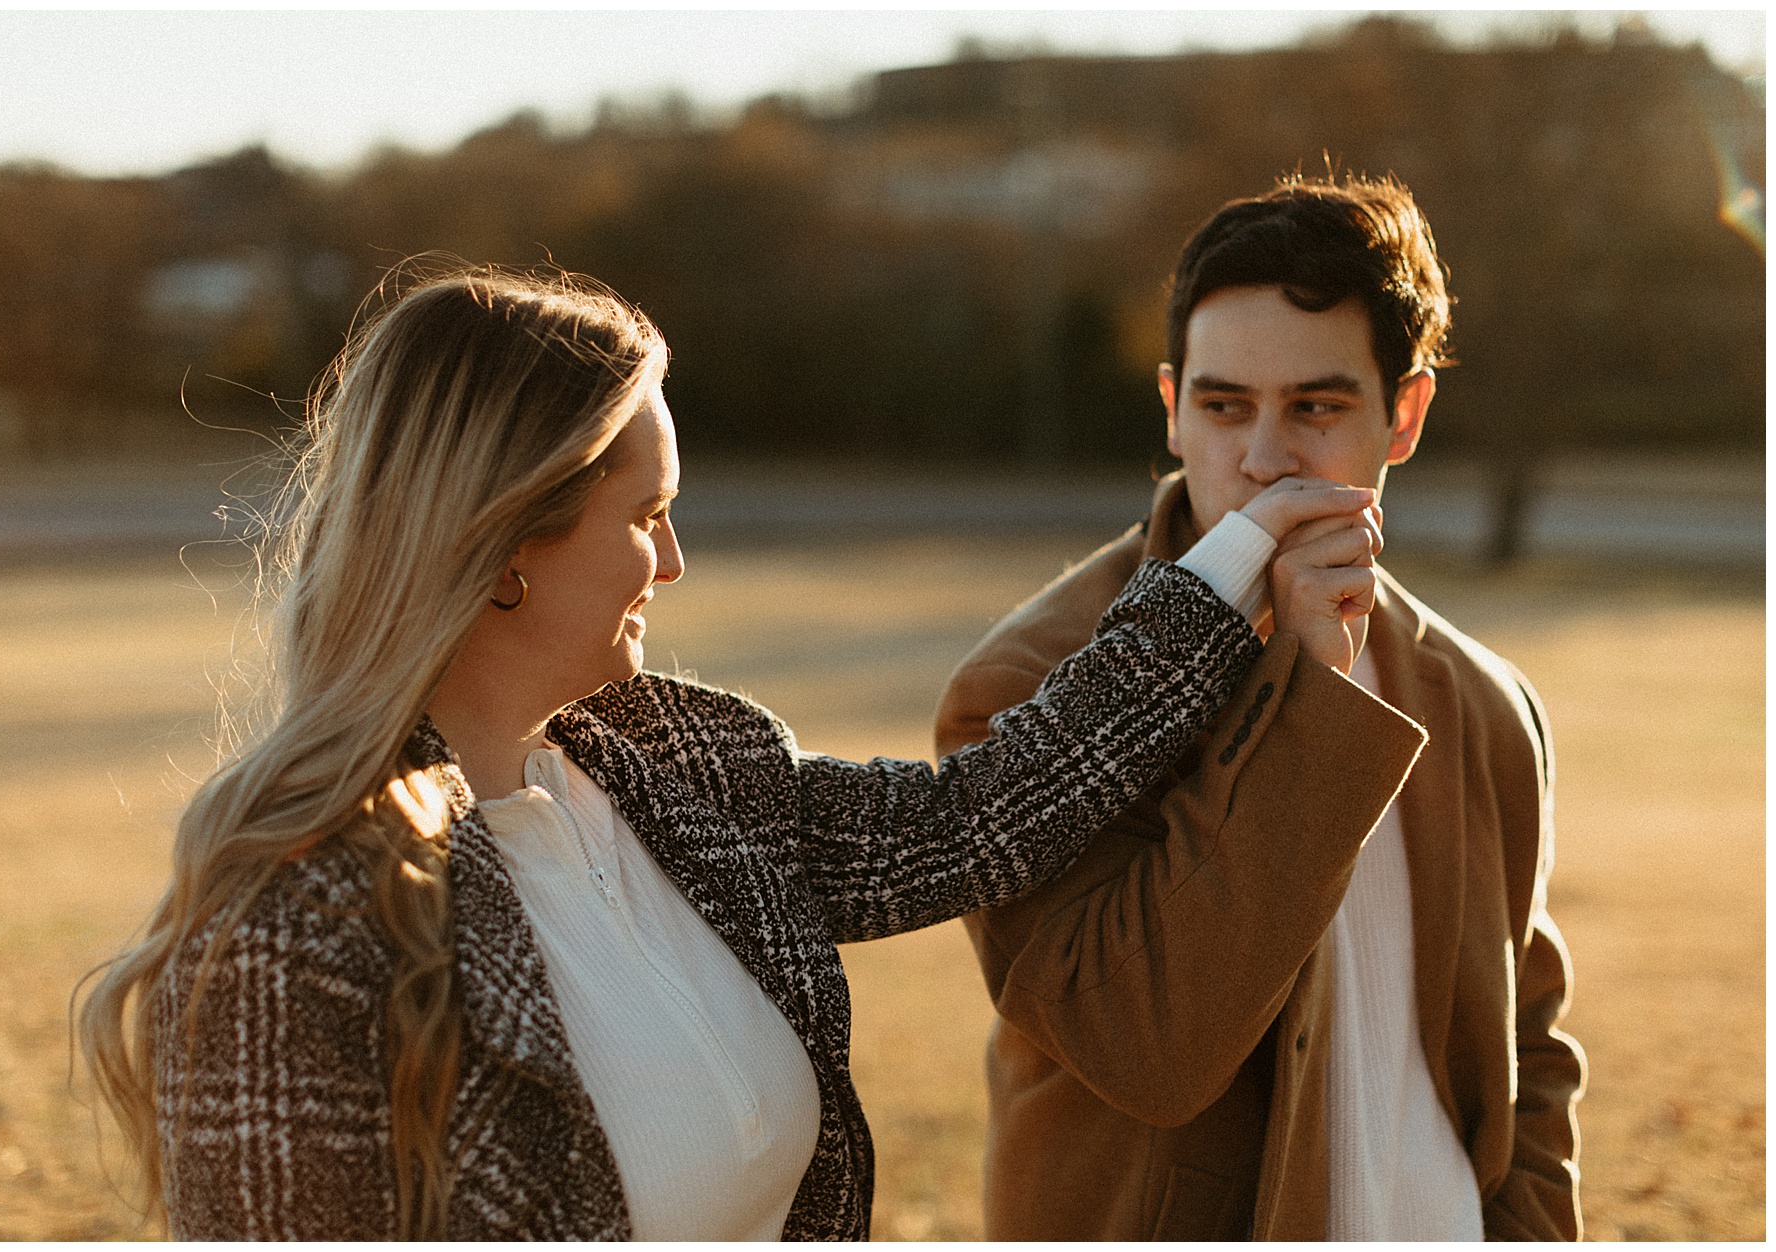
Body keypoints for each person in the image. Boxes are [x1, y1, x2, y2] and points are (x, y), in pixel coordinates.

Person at [77, 267, 1375, 1240]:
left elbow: (978, 820)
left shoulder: (678, 767)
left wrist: (1233, 561)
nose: (677, 561)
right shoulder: (295, 917)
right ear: (510, 542)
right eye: (647, 517)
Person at [935, 175, 1584, 1240]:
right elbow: (1150, 1042)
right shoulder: (1026, 687)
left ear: (1404, 415)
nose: (1265, 459)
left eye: (1317, 407)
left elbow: (1529, 1047)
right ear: (1171, 407)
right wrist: (1311, 693)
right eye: (1225, 405)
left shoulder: (1484, 699)